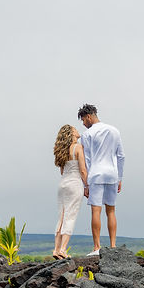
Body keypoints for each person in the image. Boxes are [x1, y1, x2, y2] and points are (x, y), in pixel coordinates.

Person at [77, 103, 124, 256]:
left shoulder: (87, 135)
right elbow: (121, 156)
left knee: (95, 210)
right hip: (112, 173)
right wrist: (120, 177)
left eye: (83, 120)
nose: (84, 124)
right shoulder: (114, 130)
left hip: (96, 174)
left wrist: (86, 183)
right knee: (111, 210)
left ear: (89, 116)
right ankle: (112, 245)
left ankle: (97, 247)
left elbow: (88, 159)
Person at [52, 124, 88, 259]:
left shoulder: (62, 150)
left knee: (61, 216)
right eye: (75, 129)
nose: (77, 130)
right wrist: (87, 186)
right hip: (74, 183)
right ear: (71, 133)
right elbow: (83, 171)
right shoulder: (78, 148)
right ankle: (63, 249)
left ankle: (56, 249)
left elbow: (62, 171)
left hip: (62, 185)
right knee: (70, 215)